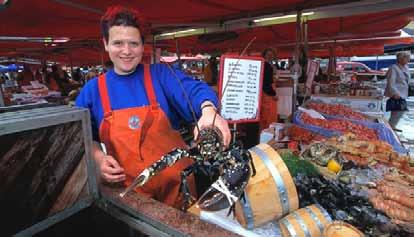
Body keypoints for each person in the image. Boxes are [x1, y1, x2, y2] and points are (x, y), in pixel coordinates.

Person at [75, 6, 230, 209]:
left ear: (142, 45)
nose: (127, 51)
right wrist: (98, 159)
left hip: (179, 191)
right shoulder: (92, 91)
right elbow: (85, 137)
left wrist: (209, 111)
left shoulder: (161, 75)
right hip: (131, 197)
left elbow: (195, 90)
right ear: (105, 44)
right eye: (118, 43)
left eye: (134, 43)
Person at [384, 51, 411, 131]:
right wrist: (394, 93)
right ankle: (391, 126)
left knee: (399, 110)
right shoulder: (393, 68)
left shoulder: (406, 67)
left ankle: (392, 125)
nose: (408, 60)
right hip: (396, 92)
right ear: (401, 59)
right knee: (398, 110)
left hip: (403, 91)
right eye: (407, 58)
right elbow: (391, 81)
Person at [260, 48, 278, 131]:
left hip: (265, 94)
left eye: (271, 54)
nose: (270, 56)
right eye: (268, 54)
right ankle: (267, 137)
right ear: (264, 55)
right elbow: (266, 83)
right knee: (268, 118)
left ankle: (264, 135)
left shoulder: (266, 65)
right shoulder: (266, 65)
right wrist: (273, 94)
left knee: (265, 117)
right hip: (267, 95)